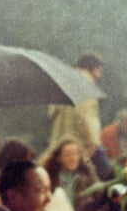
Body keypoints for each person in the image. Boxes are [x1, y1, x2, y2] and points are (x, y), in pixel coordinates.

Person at [47, 51, 111, 179]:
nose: (99, 74)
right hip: (81, 145)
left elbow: (51, 113)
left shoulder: (63, 82)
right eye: (99, 69)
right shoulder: (86, 84)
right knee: (107, 177)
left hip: (59, 144)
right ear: (91, 68)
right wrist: (92, 143)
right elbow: (86, 117)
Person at [40, 138, 100, 211]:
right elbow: (41, 207)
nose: (72, 158)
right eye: (67, 154)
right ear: (58, 158)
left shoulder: (89, 178)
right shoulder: (48, 179)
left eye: (75, 153)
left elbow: (99, 206)